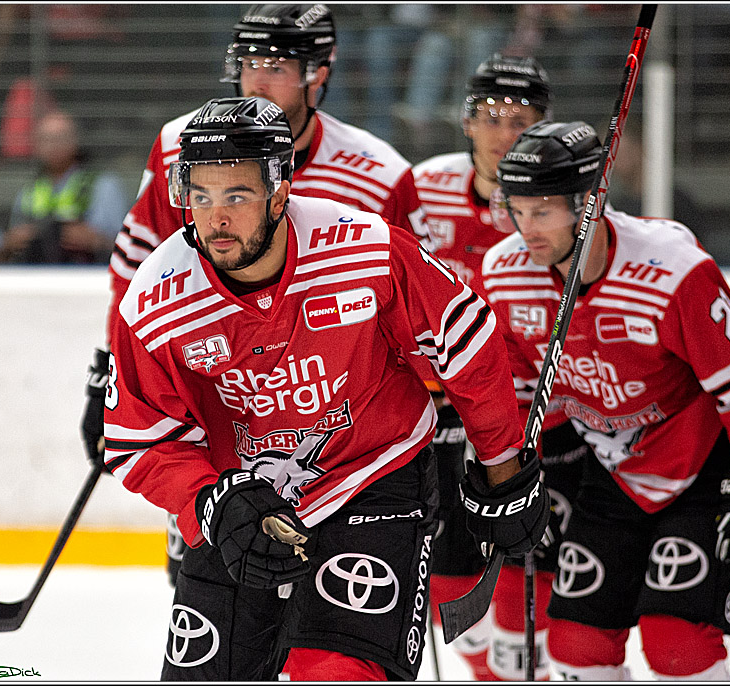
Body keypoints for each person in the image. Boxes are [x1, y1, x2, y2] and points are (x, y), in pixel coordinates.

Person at [102, 95, 548, 681]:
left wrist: (502, 464)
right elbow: (138, 443)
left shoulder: (362, 247)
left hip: (373, 478)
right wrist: (210, 503)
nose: (216, 220)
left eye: (236, 196)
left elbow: (466, 335)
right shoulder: (157, 299)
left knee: (338, 673)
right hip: (244, 499)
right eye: (201, 196)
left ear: (280, 190)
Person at [81, 3, 432, 588]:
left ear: (320, 73)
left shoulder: (379, 172)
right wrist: (113, 369)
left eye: (276, 64)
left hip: (337, 419)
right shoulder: (183, 144)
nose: (257, 79)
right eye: (247, 62)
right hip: (214, 404)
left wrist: (430, 394)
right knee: (210, 589)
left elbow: (415, 298)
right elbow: (137, 261)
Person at [481, 120, 730, 679]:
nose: (524, 229)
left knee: (676, 643)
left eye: (543, 211)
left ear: (590, 203)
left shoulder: (670, 269)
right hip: (612, 475)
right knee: (577, 644)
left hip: (701, 472)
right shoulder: (505, 272)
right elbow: (523, 386)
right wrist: (520, 470)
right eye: (517, 209)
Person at [414, 54, 576, 680]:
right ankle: (489, 670)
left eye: (521, 118)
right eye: (491, 115)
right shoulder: (422, 188)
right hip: (446, 417)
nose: (504, 131)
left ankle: (513, 667)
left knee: (529, 576)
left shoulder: (564, 203)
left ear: (544, 124)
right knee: (448, 581)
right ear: (465, 122)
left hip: (540, 419)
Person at [0, 110, 127, 264]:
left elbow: (124, 247)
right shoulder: (29, 190)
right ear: (35, 144)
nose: (53, 145)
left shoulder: (103, 185)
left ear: (75, 140)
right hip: (34, 276)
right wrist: (14, 241)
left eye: (60, 138)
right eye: (46, 139)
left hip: (85, 275)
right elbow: (13, 239)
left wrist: (94, 240)